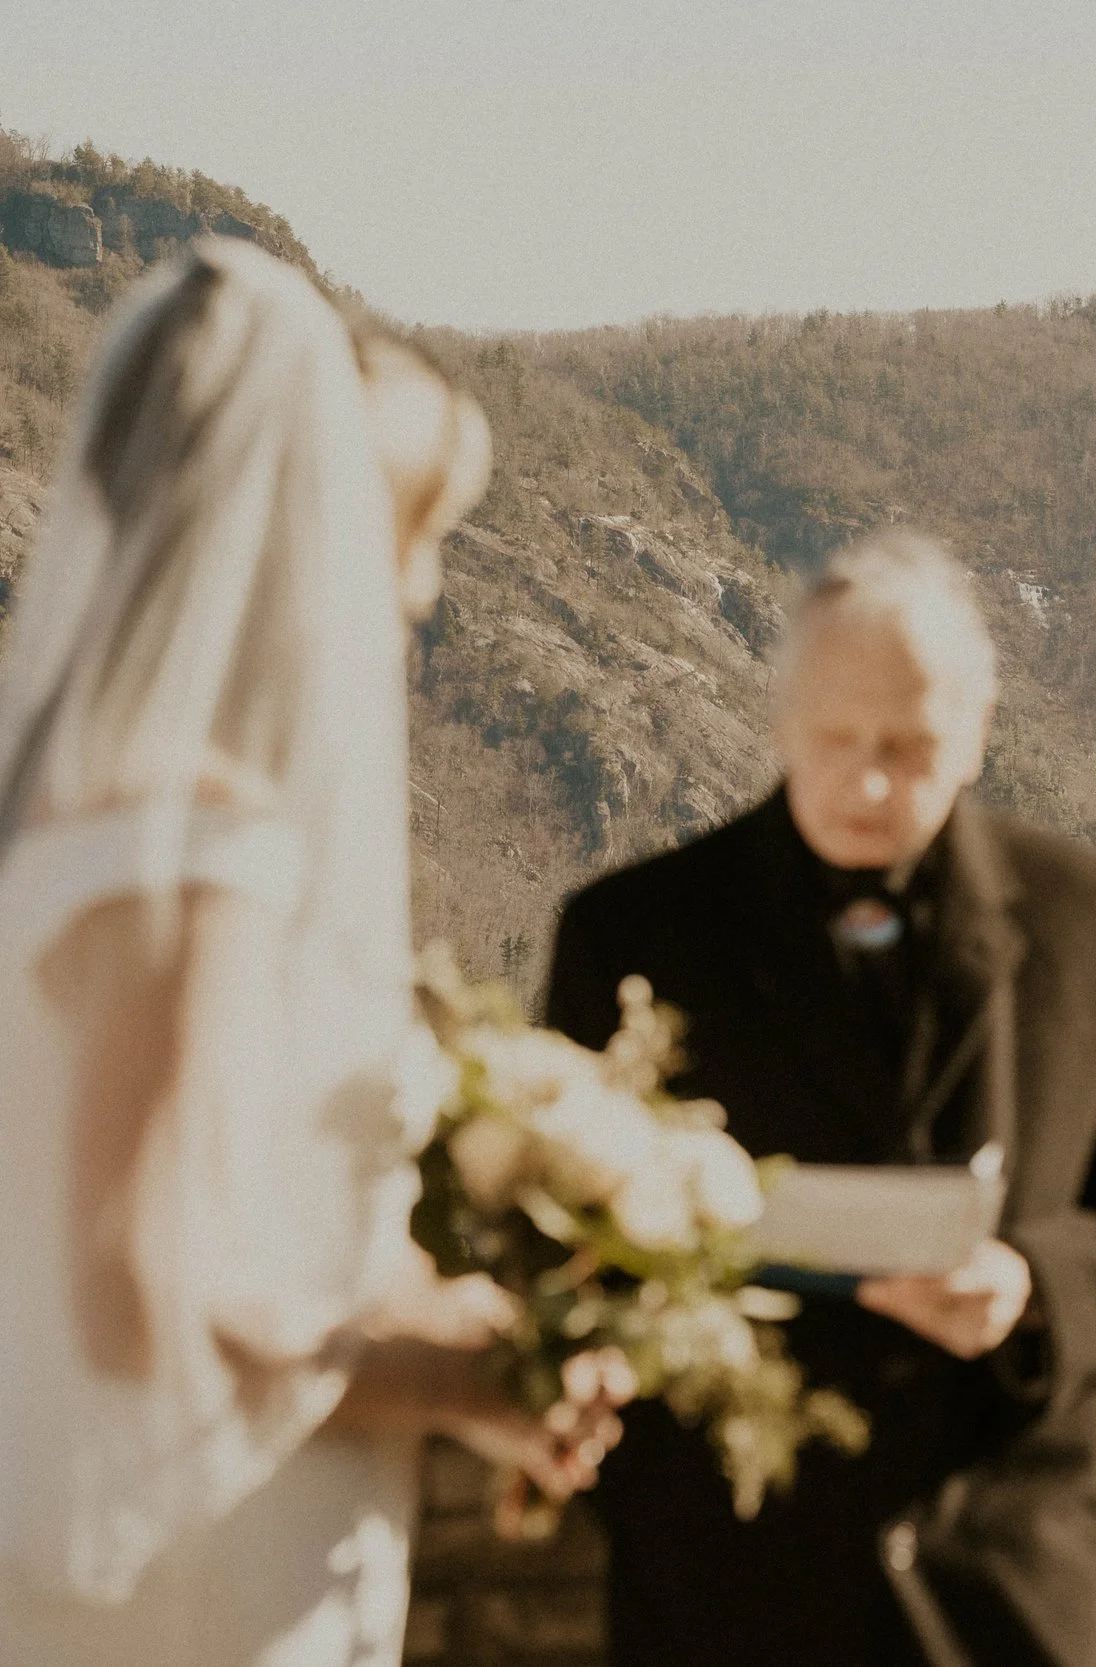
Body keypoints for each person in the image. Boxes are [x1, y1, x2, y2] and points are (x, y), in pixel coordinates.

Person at [0, 238, 620, 1667]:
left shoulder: (74, 808)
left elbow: (243, 1218)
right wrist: (442, 1369)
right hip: (207, 1567)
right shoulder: (198, 846)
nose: (417, 592)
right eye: (404, 532)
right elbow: (137, 1293)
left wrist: (451, 1350)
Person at [545, 526, 1096, 1667]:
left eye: (910, 746)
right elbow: (558, 1235)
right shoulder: (631, 933)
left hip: (1015, 1581)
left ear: (976, 736)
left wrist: (1032, 1284)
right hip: (732, 1581)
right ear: (779, 719)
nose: (868, 784)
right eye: (837, 738)